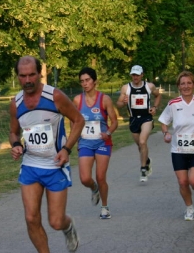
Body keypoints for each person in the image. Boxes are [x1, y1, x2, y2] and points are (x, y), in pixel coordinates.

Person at [9, 56, 85, 252]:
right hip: (31, 165)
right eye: (23, 76)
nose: (28, 80)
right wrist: (16, 144)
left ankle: (68, 227)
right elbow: (13, 131)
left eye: (32, 75)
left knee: (56, 222)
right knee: (31, 218)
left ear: (40, 74)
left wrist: (66, 149)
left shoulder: (55, 96)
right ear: (17, 76)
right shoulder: (16, 103)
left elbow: (79, 120)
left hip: (55, 165)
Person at [158, 71, 194, 221]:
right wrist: (166, 134)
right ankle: (189, 208)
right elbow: (163, 122)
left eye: (189, 83)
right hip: (178, 149)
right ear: (178, 86)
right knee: (183, 182)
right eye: (183, 83)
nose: (186, 86)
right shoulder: (173, 104)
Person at [72, 67, 118, 219]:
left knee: (100, 176)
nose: (84, 84)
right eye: (82, 81)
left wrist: (108, 133)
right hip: (85, 142)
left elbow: (114, 121)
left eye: (87, 80)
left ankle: (105, 207)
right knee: (85, 178)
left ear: (94, 81)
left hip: (102, 143)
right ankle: (94, 189)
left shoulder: (104, 99)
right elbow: (73, 121)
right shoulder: (78, 100)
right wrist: (74, 136)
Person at [116, 65, 161, 182]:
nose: (135, 77)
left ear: (142, 75)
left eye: (137, 74)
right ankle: (147, 161)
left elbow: (158, 95)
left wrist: (155, 107)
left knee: (142, 141)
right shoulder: (126, 88)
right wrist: (123, 102)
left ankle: (143, 169)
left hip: (146, 118)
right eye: (133, 75)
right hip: (134, 119)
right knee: (140, 146)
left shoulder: (149, 86)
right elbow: (118, 104)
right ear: (131, 75)